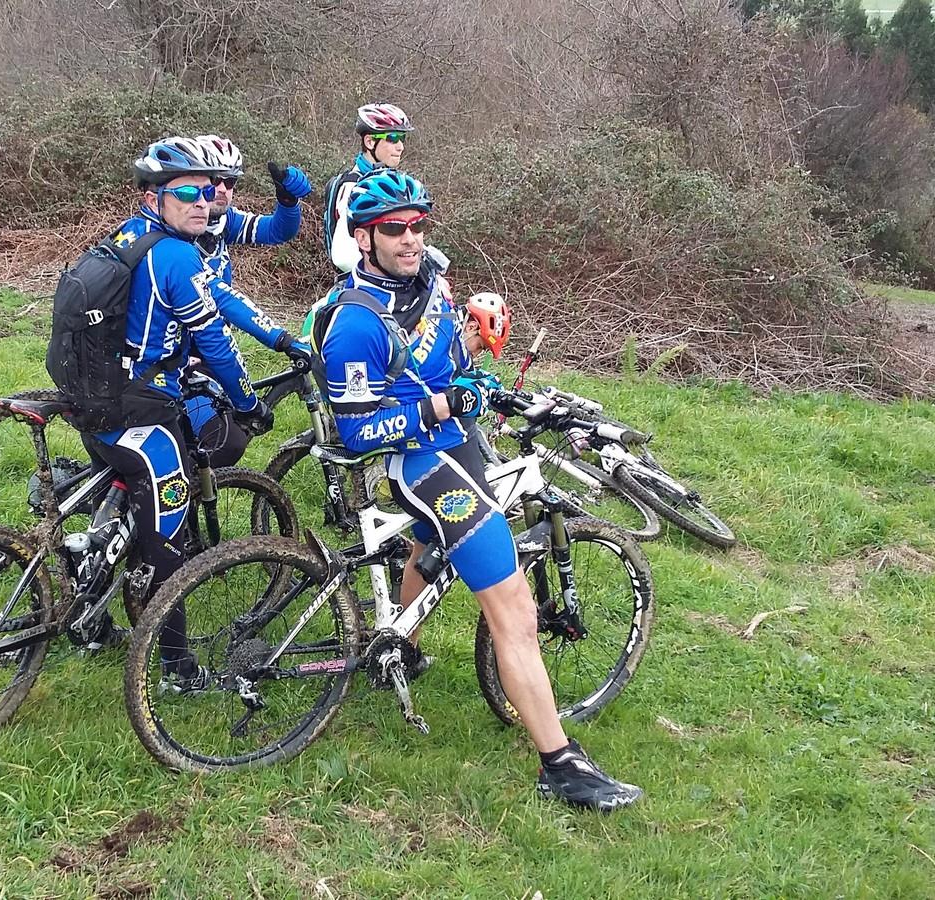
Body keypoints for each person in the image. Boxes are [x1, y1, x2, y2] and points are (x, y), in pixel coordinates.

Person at [313, 170, 643, 813]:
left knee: (424, 549)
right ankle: (560, 764)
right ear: (364, 238)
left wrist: (485, 386)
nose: (410, 238)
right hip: (416, 462)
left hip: (454, 443)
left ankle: (399, 650)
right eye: (393, 229)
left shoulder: (431, 287)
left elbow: (445, 363)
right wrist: (441, 406)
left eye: (417, 225)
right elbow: (358, 431)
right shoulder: (356, 321)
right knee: (514, 609)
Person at [80, 136, 275, 662]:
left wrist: (276, 335)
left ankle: (87, 613)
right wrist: (248, 404)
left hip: (94, 394)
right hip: (139, 408)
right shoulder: (176, 256)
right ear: (153, 198)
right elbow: (216, 344)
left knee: (118, 508)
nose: (203, 202)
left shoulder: (130, 234)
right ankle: (177, 667)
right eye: (186, 192)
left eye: (208, 192)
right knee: (167, 546)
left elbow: (213, 298)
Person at [182, 134, 313, 466]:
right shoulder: (181, 236)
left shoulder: (222, 222)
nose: (223, 189)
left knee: (218, 437)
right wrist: (280, 338)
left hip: (207, 347)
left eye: (230, 182)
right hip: (177, 357)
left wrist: (287, 202)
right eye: (215, 180)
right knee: (223, 442)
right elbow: (220, 296)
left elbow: (276, 231)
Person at [323, 103, 413, 273]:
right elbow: (343, 258)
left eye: (402, 138)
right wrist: (389, 275)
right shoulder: (354, 187)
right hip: (363, 284)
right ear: (370, 142)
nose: (400, 146)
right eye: (393, 137)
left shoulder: (381, 182)